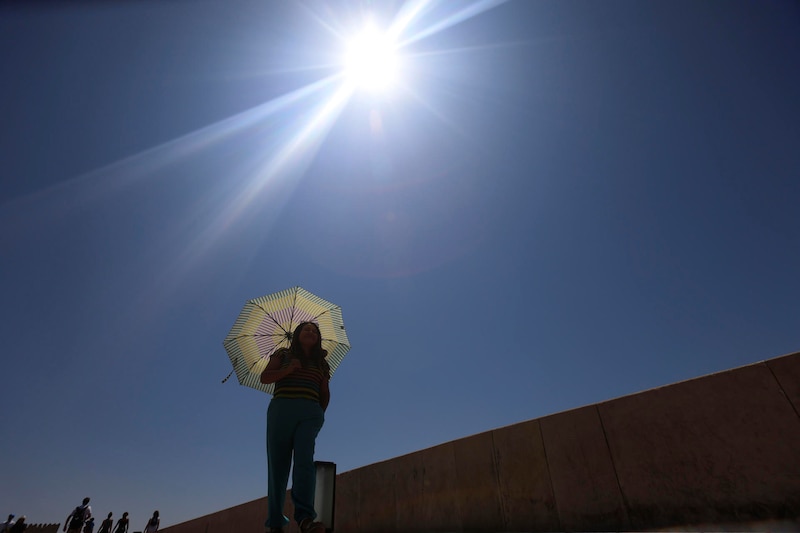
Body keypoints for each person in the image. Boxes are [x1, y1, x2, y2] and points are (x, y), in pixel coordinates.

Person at [260, 322, 330, 533]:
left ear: (318, 338)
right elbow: (265, 377)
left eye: (314, 331)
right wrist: (288, 369)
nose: (310, 332)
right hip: (281, 411)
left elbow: (324, 391)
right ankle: (275, 522)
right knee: (278, 468)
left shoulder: (322, 363)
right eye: (306, 329)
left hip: (310, 413)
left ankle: (305, 518)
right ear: (297, 334)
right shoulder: (282, 354)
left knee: (304, 463)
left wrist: (319, 414)